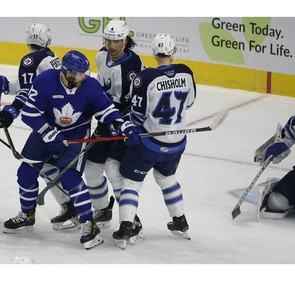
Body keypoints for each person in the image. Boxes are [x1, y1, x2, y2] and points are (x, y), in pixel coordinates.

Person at [3, 50, 124, 250]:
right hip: (45, 133)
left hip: (76, 135)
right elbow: (30, 112)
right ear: (68, 72)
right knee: (25, 173)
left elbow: (106, 109)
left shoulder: (90, 85)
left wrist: (120, 124)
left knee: (71, 178)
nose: (84, 76)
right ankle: (27, 214)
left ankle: (89, 223)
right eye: (80, 73)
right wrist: (47, 132)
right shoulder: (45, 81)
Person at [112, 33, 196, 249]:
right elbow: (189, 103)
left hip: (150, 143)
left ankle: (125, 228)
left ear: (153, 53)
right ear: (173, 51)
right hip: (177, 143)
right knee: (167, 178)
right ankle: (180, 222)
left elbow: (138, 116)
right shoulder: (186, 72)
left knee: (131, 182)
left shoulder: (145, 77)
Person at [0, 23, 78, 230]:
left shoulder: (30, 59)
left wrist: (11, 111)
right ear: (48, 41)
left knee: (26, 172)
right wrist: (8, 85)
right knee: (50, 167)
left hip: (47, 127)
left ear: (28, 41)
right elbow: (35, 86)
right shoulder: (51, 57)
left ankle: (27, 213)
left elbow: (27, 94)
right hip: (65, 122)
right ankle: (71, 206)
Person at [84, 19, 145, 234]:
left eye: (116, 41)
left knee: (112, 168)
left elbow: (131, 103)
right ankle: (102, 210)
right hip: (105, 118)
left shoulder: (131, 67)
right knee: (91, 168)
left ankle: (132, 220)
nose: (111, 46)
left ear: (125, 40)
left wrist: (119, 124)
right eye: (108, 40)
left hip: (123, 122)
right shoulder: (102, 56)